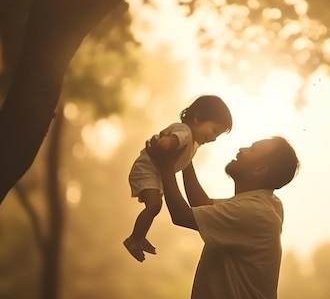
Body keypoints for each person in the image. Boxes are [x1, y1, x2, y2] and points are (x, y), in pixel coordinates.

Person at [145, 134, 299, 299]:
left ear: (259, 170)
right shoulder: (265, 203)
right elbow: (201, 203)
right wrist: (184, 158)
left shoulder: (254, 213)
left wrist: (165, 164)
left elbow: (181, 215)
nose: (242, 149)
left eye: (252, 150)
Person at [124, 95, 233, 262]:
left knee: (154, 207)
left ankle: (139, 235)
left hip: (156, 173)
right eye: (213, 130)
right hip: (147, 170)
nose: (213, 138)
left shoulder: (192, 144)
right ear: (198, 118)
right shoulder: (185, 132)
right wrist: (168, 143)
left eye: (217, 135)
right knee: (154, 206)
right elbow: (173, 140)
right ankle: (134, 239)